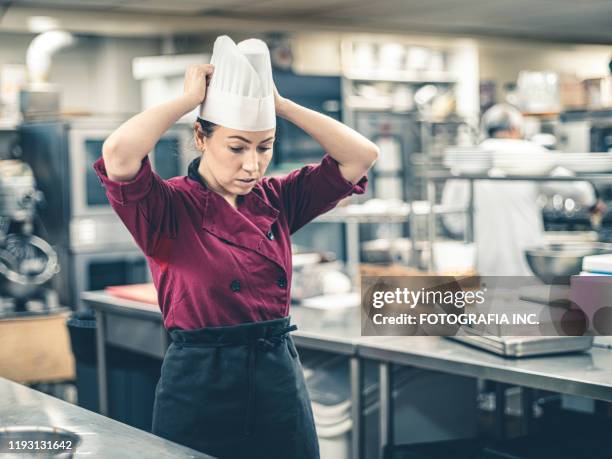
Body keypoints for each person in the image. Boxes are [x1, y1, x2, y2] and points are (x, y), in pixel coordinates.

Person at [93, 36, 378, 459]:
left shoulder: (277, 199)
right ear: (202, 137)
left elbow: (361, 154)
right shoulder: (167, 207)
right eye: (237, 147)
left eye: (265, 147)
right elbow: (118, 153)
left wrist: (283, 106)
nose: (252, 165)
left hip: (277, 378)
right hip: (199, 384)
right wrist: (186, 99)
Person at [442, 103, 598, 276]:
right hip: (529, 267)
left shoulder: (471, 160)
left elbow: (452, 220)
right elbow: (579, 189)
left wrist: (482, 228)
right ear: (515, 128)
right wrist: (592, 203)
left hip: (484, 269)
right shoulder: (531, 153)